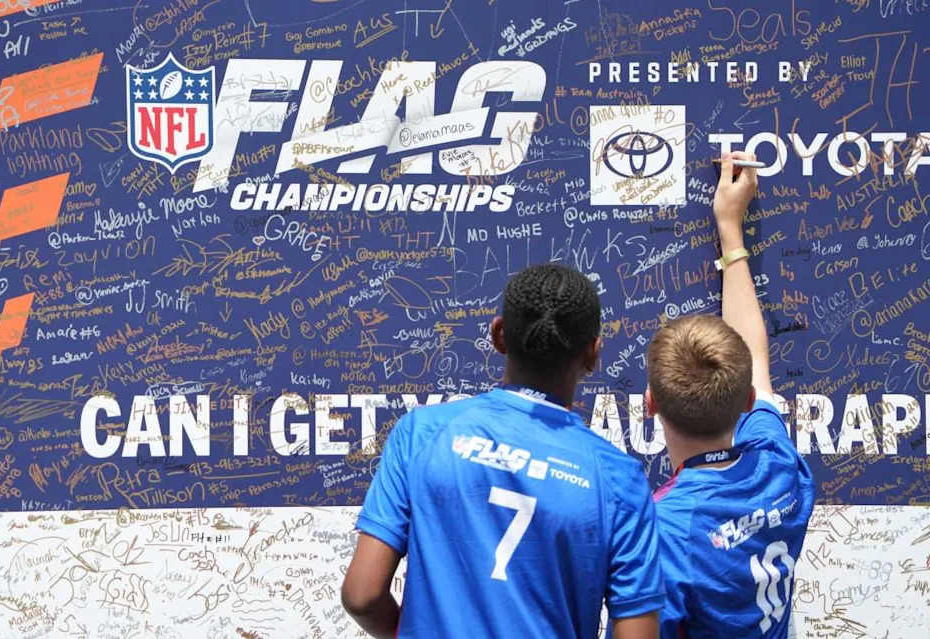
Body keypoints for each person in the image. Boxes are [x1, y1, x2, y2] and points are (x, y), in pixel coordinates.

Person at [342, 264, 664, 639]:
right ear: (593, 353)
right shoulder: (618, 478)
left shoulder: (422, 433)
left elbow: (362, 596)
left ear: (498, 335)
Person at [645, 151, 815, 638]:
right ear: (746, 404)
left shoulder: (664, 529)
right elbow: (756, 363)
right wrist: (731, 231)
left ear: (650, 404)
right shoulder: (776, 462)